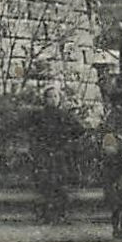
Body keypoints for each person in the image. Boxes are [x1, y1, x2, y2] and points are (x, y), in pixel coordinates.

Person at [27, 85, 84, 224]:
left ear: (60, 99)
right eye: (49, 97)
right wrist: (38, 147)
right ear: (44, 99)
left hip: (61, 154)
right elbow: (32, 133)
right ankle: (44, 215)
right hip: (44, 154)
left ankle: (61, 215)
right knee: (45, 184)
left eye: (55, 96)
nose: (52, 99)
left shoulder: (66, 115)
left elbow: (80, 130)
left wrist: (68, 142)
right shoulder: (38, 116)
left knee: (61, 185)